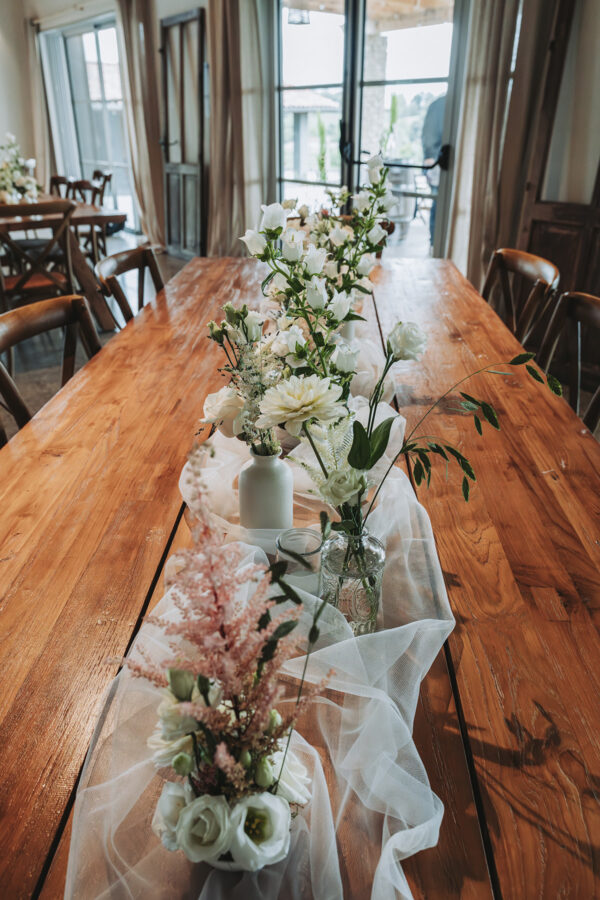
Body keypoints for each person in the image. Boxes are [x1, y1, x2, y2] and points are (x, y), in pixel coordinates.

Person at [421, 95, 446, 247]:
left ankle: (434, 244)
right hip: (439, 167)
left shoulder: (439, 104)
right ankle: (434, 244)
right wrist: (431, 158)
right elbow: (429, 141)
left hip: (439, 167)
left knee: (438, 208)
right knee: (438, 207)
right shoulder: (439, 105)